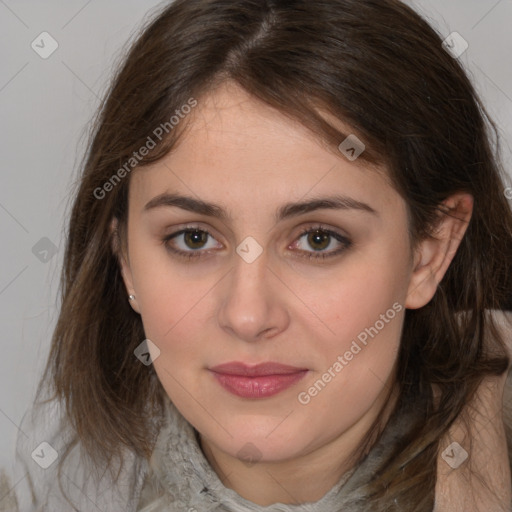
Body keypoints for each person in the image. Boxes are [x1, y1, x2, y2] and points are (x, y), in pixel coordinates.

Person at [1, 0, 512, 510]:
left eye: (318, 239)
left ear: (429, 252)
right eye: (194, 239)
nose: (248, 316)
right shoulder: (44, 486)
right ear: (126, 259)